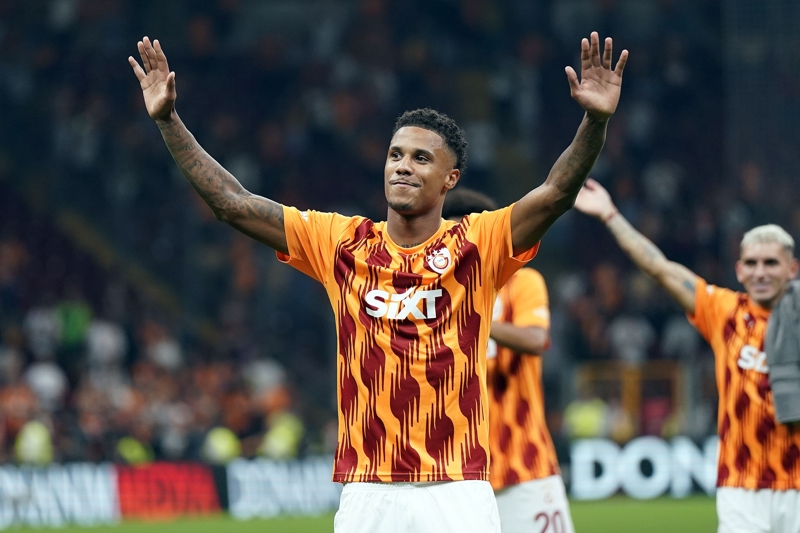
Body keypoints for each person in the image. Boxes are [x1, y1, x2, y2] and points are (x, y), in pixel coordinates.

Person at [129, 33, 627, 532]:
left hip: (455, 489)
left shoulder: (479, 243)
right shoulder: (340, 242)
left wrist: (595, 121)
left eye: (421, 158)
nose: (403, 166)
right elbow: (233, 204)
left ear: (451, 179)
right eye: (396, 155)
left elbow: (556, 193)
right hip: (367, 493)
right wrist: (169, 121)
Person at [574, 178, 800, 533]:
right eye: (752, 263)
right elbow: (659, 268)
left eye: (771, 263)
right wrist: (611, 215)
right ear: (739, 270)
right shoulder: (724, 311)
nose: (760, 272)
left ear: (792, 269)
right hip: (741, 487)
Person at [442, 188, 575, 533]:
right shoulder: (432, 297)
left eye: (465, 236)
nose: (458, 247)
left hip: (525, 465)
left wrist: (472, 313)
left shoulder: (522, 282)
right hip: (459, 475)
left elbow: (535, 339)